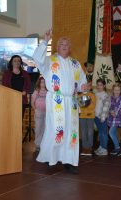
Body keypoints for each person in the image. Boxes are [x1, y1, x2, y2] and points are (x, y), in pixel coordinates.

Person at [32, 29, 87, 174]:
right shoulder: (50, 61)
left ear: (70, 48)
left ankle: (69, 161)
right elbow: (36, 58)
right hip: (57, 100)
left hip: (72, 101)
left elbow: (82, 81)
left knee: (72, 131)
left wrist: (84, 86)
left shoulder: (75, 64)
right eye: (61, 44)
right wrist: (45, 42)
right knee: (56, 129)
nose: (64, 46)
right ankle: (52, 158)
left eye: (67, 45)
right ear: (57, 47)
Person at [94, 79, 111, 156]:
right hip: (96, 117)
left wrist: (103, 117)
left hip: (102, 117)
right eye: (98, 85)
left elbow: (106, 107)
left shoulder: (105, 95)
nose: (99, 86)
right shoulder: (96, 94)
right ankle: (101, 146)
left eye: (100, 85)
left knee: (104, 133)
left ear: (104, 86)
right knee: (100, 133)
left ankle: (104, 149)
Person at [79, 81, 96, 156]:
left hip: (90, 116)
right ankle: (84, 147)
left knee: (90, 132)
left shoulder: (92, 95)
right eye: (83, 86)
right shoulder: (79, 96)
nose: (85, 88)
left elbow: (92, 106)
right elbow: (80, 106)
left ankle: (89, 147)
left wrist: (86, 108)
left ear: (90, 87)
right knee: (83, 132)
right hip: (82, 116)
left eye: (87, 86)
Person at [107, 83, 121, 156]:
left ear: (120, 91)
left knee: (111, 132)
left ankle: (118, 148)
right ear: (113, 90)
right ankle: (117, 147)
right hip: (111, 118)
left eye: (118, 90)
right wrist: (111, 111)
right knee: (113, 133)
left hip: (117, 119)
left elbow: (120, 107)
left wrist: (115, 113)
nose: (117, 91)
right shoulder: (110, 97)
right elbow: (109, 106)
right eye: (115, 90)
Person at [31, 77, 47, 152]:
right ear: (39, 83)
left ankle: (43, 144)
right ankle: (37, 144)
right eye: (41, 82)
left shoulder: (48, 91)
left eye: (44, 82)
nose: (43, 84)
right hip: (39, 112)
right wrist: (36, 110)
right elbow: (32, 102)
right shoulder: (36, 91)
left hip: (47, 113)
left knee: (45, 129)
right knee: (38, 128)